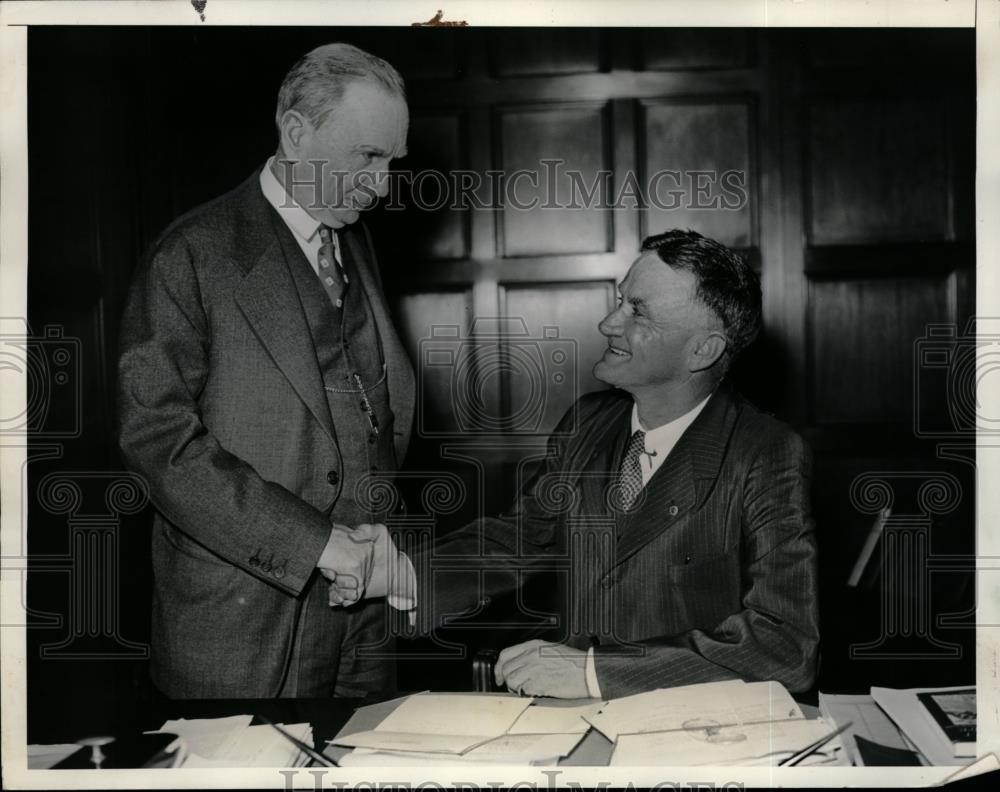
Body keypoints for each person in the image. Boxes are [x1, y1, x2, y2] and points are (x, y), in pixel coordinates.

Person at [117, 43, 414, 698]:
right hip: (242, 628)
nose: (384, 183)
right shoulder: (191, 252)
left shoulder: (355, 241)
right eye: (368, 156)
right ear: (296, 131)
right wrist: (317, 544)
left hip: (364, 618)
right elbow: (158, 445)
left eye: (393, 161)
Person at [437, 229, 819, 700]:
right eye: (620, 301)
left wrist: (595, 673)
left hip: (690, 739)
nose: (608, 323)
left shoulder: (765, 452)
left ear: (703, 349)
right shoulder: (587, 423)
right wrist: (393, 570)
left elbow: (787, 646)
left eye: (638, 310)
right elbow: (517, 541)